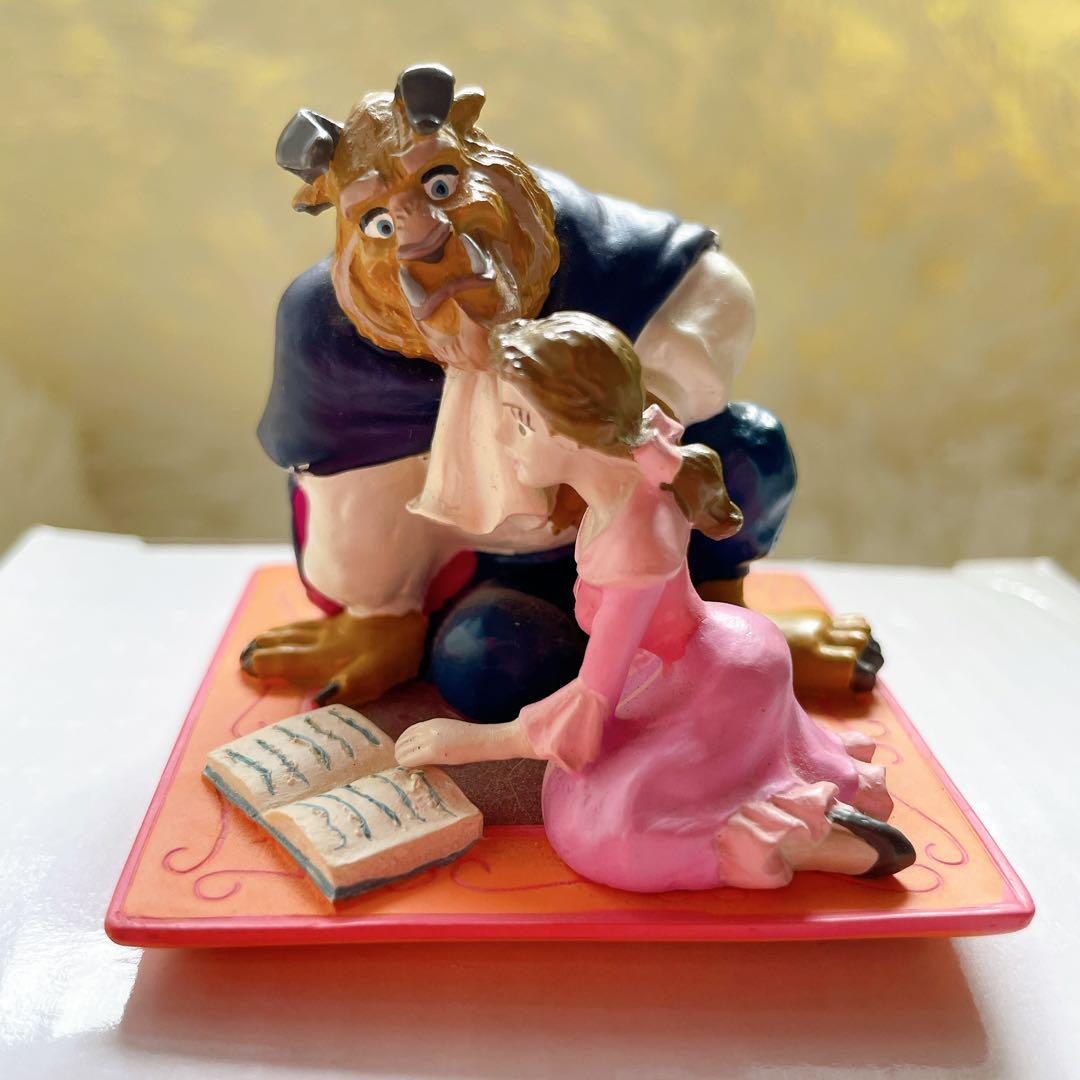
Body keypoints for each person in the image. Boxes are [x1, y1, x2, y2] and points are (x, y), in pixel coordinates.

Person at [243, 63, 881, 723]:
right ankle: (543, 646)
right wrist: (381, 609)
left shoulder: (589, 242)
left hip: (654, 531)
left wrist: (617, 430)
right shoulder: (328, 331)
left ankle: (720, 630)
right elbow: (344, 491)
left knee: (747, 448)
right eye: (378, 221)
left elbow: (715, 293)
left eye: (441, 184)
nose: (423, 234)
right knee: (485, 669)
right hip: (486, 561)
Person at [395, 312, 914, 891]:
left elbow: (592, 701)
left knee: (594, 829)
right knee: (584, 793)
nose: (500, 437)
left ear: (571, 430)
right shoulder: (628, 487)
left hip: (706, 678)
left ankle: (792, 834)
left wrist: (470, 742)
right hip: (695, 656)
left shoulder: (633, 542)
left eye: (519, 421)